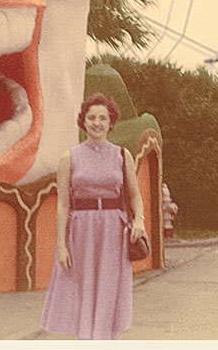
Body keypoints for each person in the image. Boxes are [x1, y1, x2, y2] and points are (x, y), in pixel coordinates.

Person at [40, 93, 147, 339]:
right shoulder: (69, 158)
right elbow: (63, 205)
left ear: (111, 123)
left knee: (109, 288)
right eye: (91, 118)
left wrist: (139, 220)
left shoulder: (122, 156)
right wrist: (61, 245)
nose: (97, 123)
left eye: (102, 118)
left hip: (113, 231)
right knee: (82, 288)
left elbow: (135, 196)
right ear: (83, 121)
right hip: (81, 231)